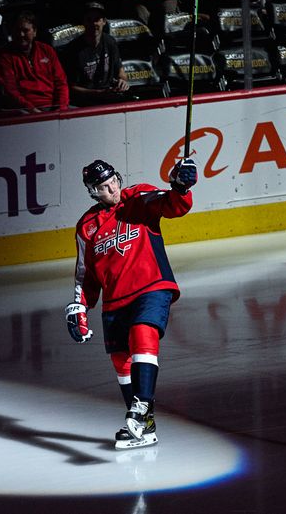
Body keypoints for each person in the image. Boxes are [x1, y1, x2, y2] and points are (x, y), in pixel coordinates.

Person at [65, 157, 198, 450]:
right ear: (92, 191)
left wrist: (180, 186)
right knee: (120, 361)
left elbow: (173, 205)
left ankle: (140, 411)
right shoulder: (86, 226)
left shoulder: (137, 197)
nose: (111, 188)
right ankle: (143, 426)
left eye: (113, 180)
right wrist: (80, 306)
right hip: (115, 301)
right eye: (102, 186)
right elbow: (85, 274)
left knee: (143, 333)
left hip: (151, 286)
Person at [0, 10, 69, 112]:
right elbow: (10, 91)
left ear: (34, 32)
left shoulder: (47, 50)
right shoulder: (4, 56)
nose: (21, 34)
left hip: (53, 108)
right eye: (17, 30)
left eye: (25, 30)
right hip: (25, 112)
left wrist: (61, 108)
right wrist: (33, 111)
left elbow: (61, 82)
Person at [61, 2, 130, 107]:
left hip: (109, 96)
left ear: (104, 22)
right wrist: (98, 94)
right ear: (83, 22)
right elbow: (71, 87)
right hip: (85, 101)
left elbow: (120, 71)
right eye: (89, 20)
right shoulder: (73, 50)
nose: (93, 24)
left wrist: (122, 81)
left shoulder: (110, 42)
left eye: (97, 19)